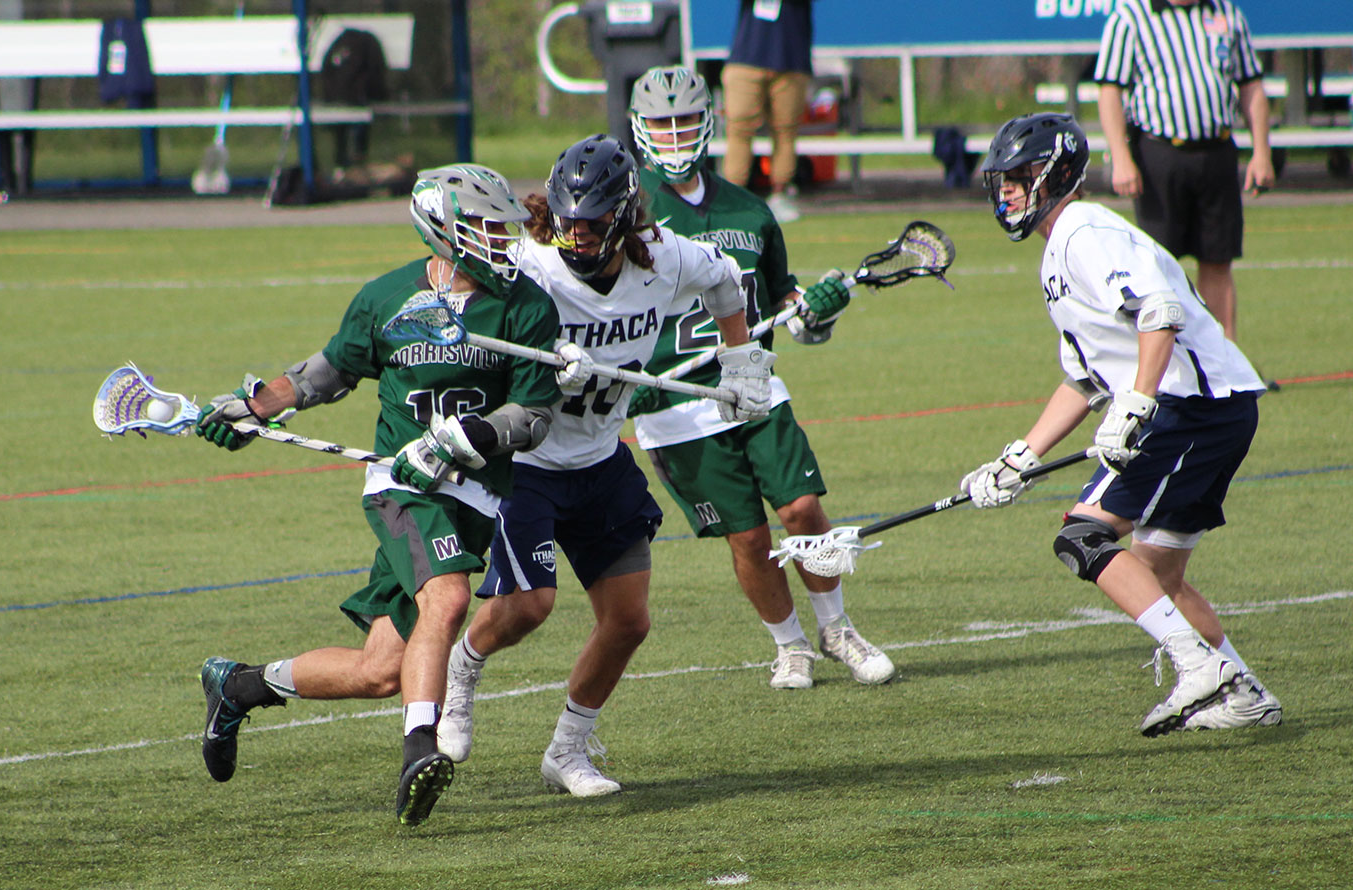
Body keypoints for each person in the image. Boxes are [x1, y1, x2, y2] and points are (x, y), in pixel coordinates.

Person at [190, 164, 562, 826]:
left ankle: (240, 685)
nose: (500, 240)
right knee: (447, 597)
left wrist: (461, 437)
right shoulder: (386, 298)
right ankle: (420, 749)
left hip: (473, 494)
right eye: (484, 227)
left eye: (502, 228)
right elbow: (327, 374)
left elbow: (532, 419)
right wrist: (253, 409)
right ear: (441, 229)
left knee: (380, 670)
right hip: (400, 484)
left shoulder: (528, 306)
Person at [435, 134, 772, 796]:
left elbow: (727, 283)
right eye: (568, 218)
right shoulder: (529, 266)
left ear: (624, 214)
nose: (578, 232)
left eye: (593, 221)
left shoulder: (666, 260)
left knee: (629, 621)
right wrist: (539, 353)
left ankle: (567, 750)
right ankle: (462, 668)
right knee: (530, 607)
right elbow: (452, 306)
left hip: (601, 457)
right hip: (526, 462)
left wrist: (741, 362)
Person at [962, 112, 1281, 736]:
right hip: (1208, 405)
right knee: (1158, 572)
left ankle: (1198, 667)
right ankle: (1243, 692)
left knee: (1081, 538)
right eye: (1001, 182)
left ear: (1056, 177)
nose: (1007, 194)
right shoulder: (1061, 246)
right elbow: (1084, 379)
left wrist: (1135, 404)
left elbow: (1158, 313)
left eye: (1020, 178)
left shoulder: (1082, 230)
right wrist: (1018, 457)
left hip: (1192, 405)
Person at [625, 65, 893, 691]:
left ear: (708, 123)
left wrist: (815, 313)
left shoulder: (750, 209)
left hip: (755, 387)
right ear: (640, 130)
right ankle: (790, 645)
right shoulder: (625, 216)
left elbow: (784, 308)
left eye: (685, 122)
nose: (672, 136)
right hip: (676, 406)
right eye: (660, 125)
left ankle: (837, 628)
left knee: (802, 509)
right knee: (747, 537)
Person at [1093, 0, 1272, 343]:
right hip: (1160, 153)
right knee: (1157, 267)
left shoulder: (1224, 12)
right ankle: (1168, 366)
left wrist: (1261, 151)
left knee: (1218, 260)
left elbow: (1250, 84)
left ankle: (1224, 363)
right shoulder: (1132, 15)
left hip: (1216, 150)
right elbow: (1110, 89)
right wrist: (1120, 155)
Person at [720, 0, 814, 223]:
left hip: (791, 58)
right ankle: (733, 199)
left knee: (785, 131)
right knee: (740, 130)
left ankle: (780, 194)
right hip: (747, 57)